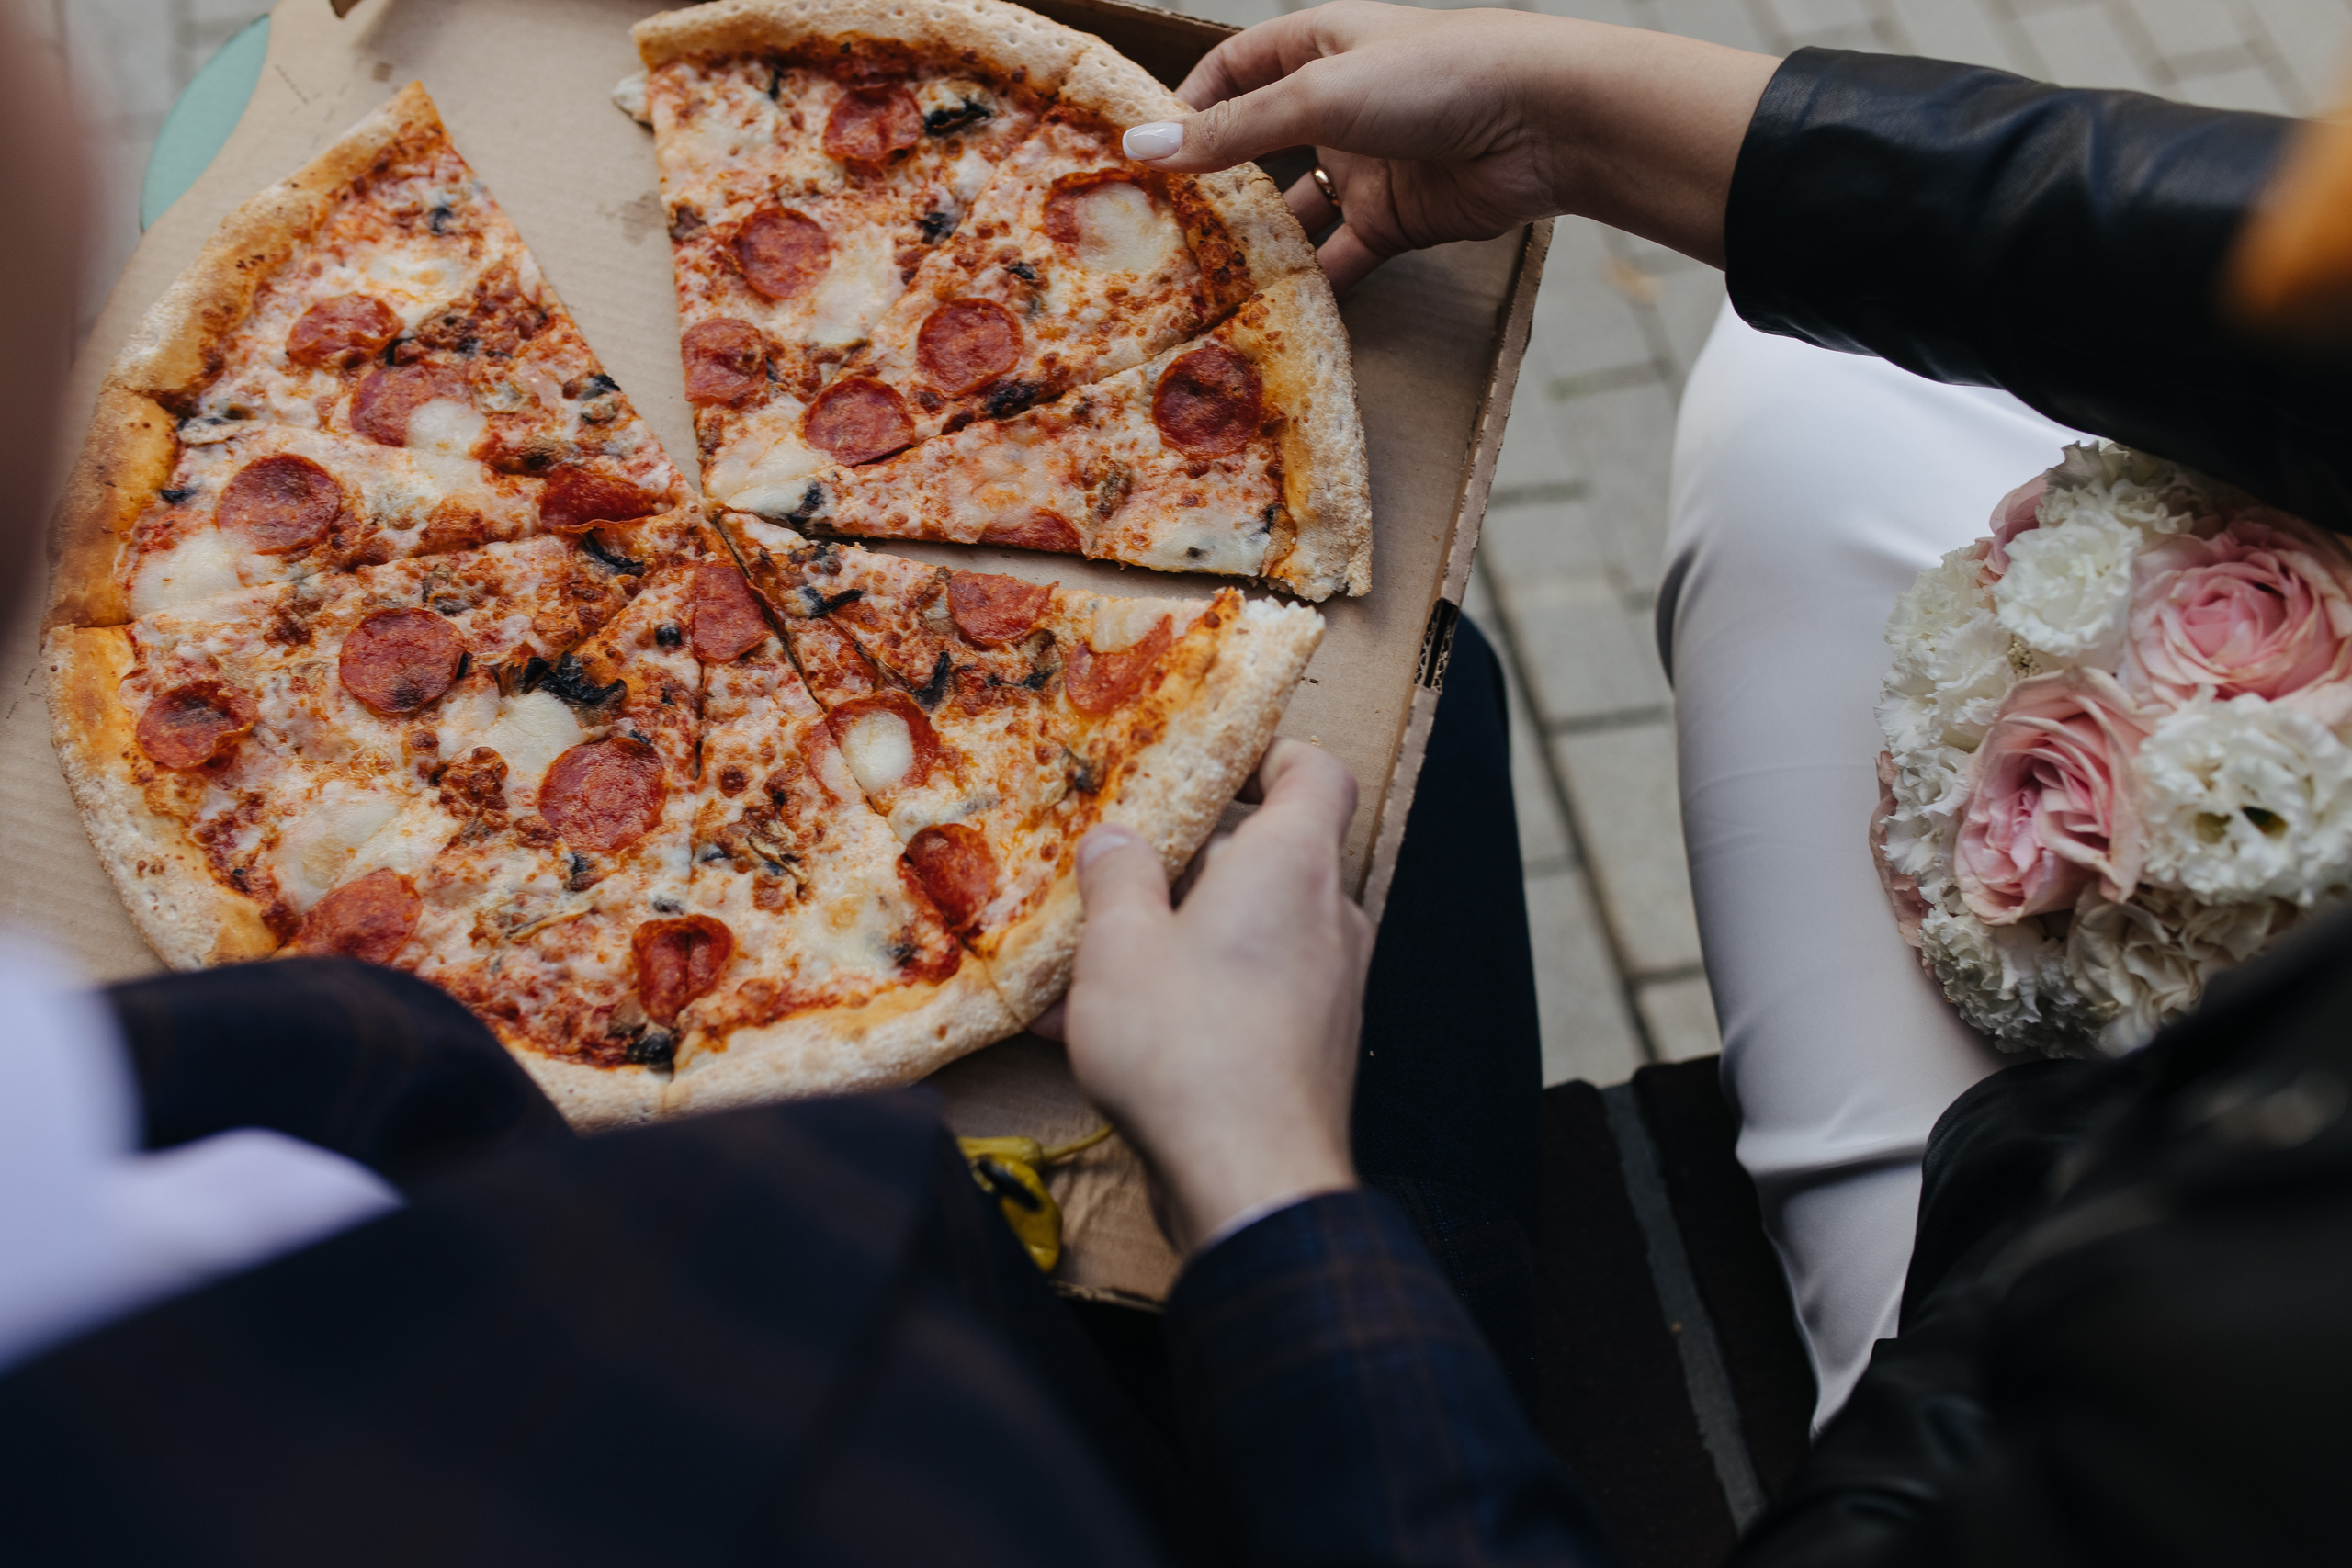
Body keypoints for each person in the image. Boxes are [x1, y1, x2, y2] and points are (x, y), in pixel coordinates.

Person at [8, 5, 2352, 1565]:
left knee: (1425, 751)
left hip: (2025, 1345)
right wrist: (1640, 126)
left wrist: (1261, 1171)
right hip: (2187, 1172)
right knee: (1776, 419)